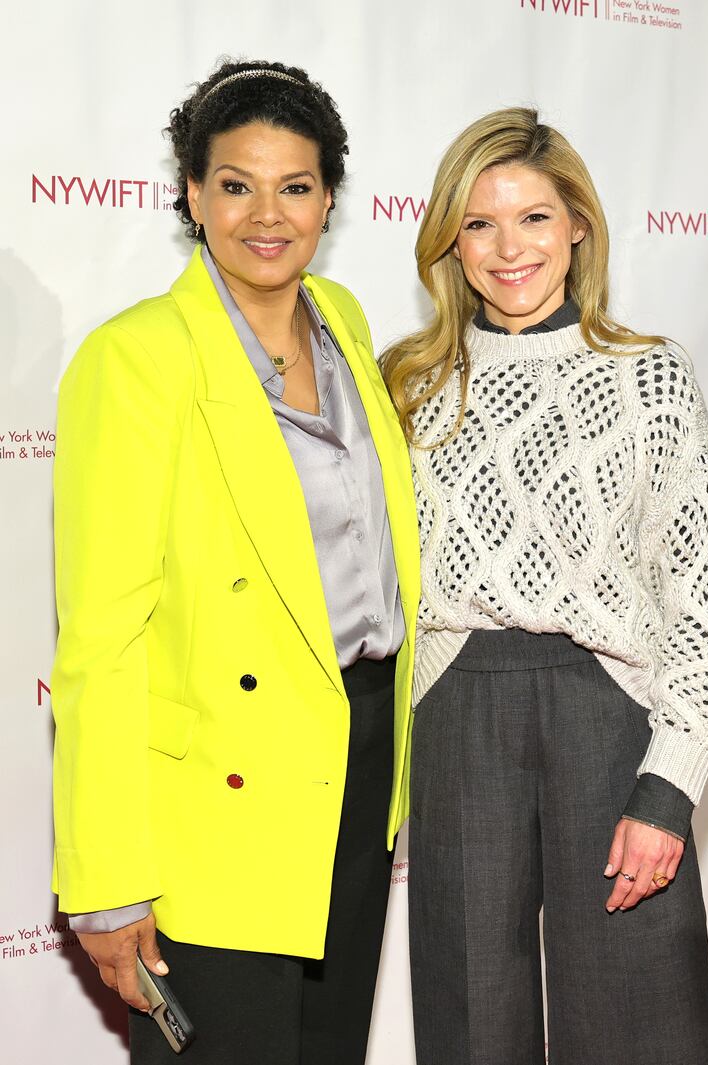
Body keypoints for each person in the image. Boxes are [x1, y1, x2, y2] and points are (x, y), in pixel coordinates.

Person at [50, 59, 419, 1065]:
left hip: (359, 756)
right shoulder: (136, 359)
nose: (267, 214)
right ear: (191, 193)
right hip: (218, 791)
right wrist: (108, 881)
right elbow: (101, 639)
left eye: (293, 186)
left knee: (330, 1048)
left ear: (329, 197)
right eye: (235, 184)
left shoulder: (341, 320)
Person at [382, 107, 708, 1065]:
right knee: (470, 1019)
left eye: (534, 218)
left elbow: (699, 599)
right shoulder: (410, 385)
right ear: (450, 242)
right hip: (456, 712)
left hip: (609, 710)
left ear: (578, 223)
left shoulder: (648, 378)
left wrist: (669, 787)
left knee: (639, 1011)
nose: (509, 248)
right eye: (480, 223)